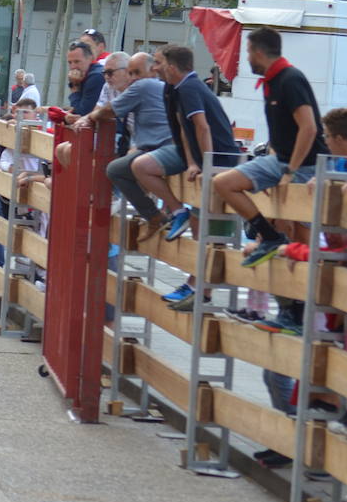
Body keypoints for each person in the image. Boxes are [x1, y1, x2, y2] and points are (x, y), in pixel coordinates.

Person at [131, 45, 240, 304]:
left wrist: (206, 165)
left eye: (157, 62)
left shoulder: (190, 87)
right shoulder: (173, 88)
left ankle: (200, 289)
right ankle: (178, 213)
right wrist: (191, 162)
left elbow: (202, 128)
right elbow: (183, 128)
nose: (153, 68)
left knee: (211, 232)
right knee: (199, 226)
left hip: (221, 161)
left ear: (171, 66)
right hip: (199, 157)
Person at [213, 26, 328, 268]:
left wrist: (289, 172)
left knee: (298, 232)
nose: (246, 58)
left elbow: (309, 128)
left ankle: (298, 300)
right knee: (223, 183)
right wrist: (273, 170)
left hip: (307, 164)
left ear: (258, 51)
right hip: (279, 160)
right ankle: (271, 237)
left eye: (247, 52)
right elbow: (281, 133)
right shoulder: (271, 82)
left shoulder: (290, 78)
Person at [76, 52, 174, 229]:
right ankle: (158, 214)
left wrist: (89, 117)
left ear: (152, 71)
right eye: (104, 74)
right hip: (152, 145)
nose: (132, 78)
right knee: (122, 167)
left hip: (160, 147)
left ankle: (167, 213)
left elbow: (106, 112)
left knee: (119, 169)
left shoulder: (144, 86)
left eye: (136, 72)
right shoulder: (147, 86)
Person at [66, 40, 104, 116]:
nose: (73, 67)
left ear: (90, 59)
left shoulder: (96, 77)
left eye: (77, 62)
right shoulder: (85, 75)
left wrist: (75, 88)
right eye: (70, 62)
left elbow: (81, 114)